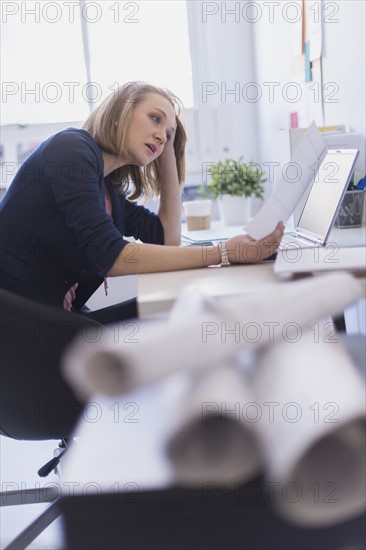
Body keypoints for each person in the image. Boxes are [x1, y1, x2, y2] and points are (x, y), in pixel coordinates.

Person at [0, 82, 284, 324]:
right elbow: (111, 255)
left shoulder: (107, 190)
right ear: (121, 111)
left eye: (168, 133)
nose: (161, 136)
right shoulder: (71, 148)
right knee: (180, 309)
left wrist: (169, 153)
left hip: (58, 318)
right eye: (155, 119)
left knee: (181, 303)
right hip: (28, 331)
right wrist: (222, 252)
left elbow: (167, 238)